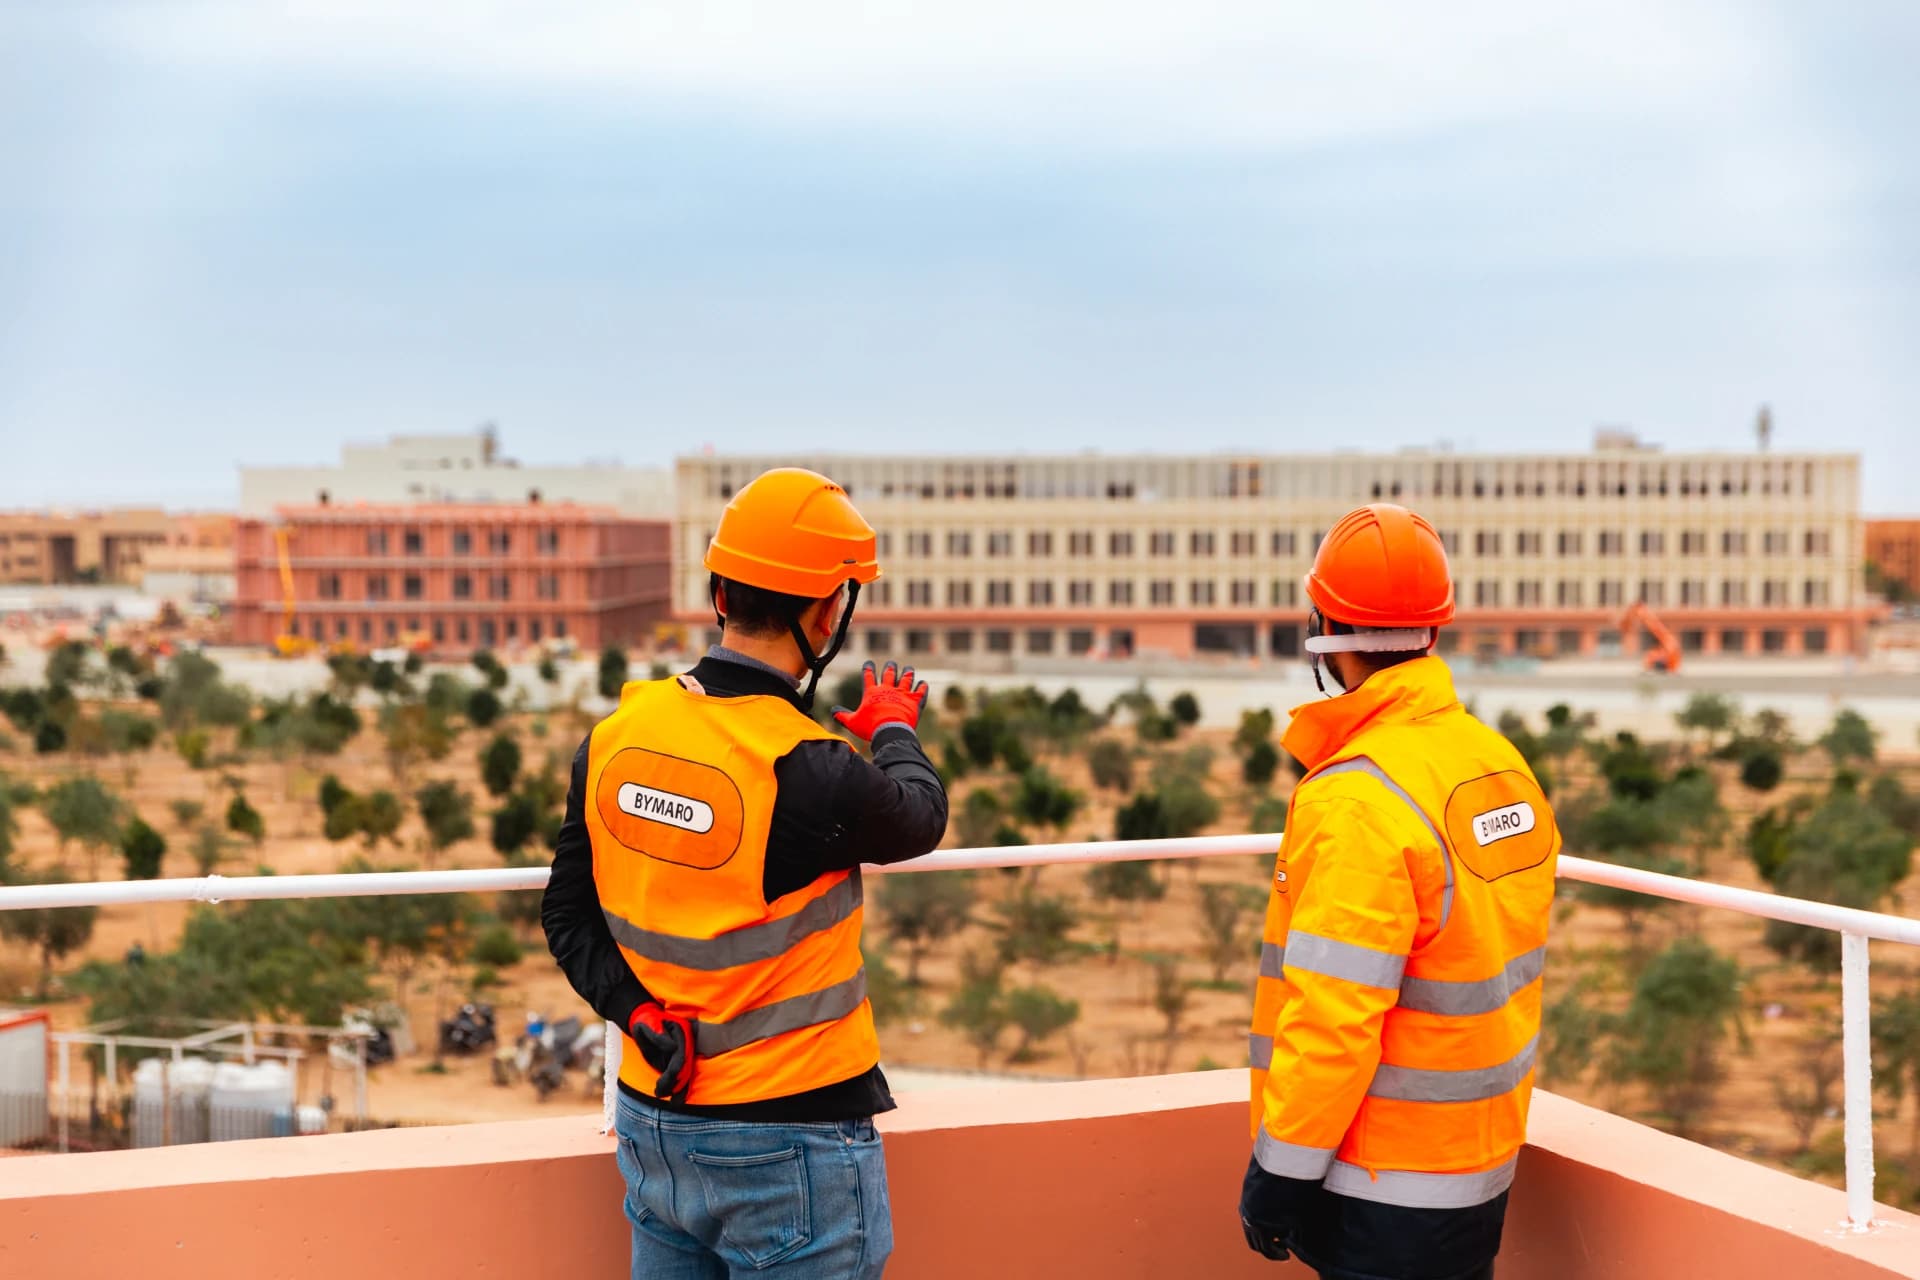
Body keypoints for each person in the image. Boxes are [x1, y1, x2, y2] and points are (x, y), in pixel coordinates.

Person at [543, 467, 948, 1279]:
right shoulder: (808, 766)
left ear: (719, 594)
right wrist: (895, 730)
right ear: (828, 614)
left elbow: (566, 914)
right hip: (790, 1135)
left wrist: (634, 1011)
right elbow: (919, 818)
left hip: (654, 1122)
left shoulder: (618, 735)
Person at [1239, 503, 1561, 1280]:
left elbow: (1335, 1017)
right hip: (1479, 1166)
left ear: (1323, 627)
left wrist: (1279, 1178)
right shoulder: (1495, 762)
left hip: (1381, 1186)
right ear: (1434, 630)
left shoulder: (1358, 801)